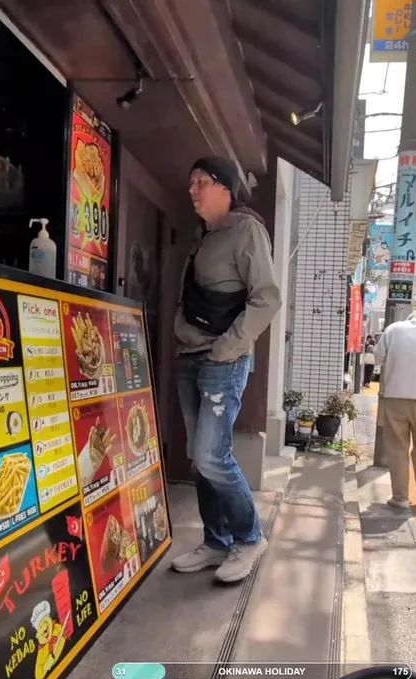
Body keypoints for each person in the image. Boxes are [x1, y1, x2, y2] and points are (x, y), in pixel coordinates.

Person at [171, 156, 282, 584]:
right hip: (190, 355)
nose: (193, 189)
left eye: (202, 181)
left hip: (222, 359)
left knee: (212, 456)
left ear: (226, 187)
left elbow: (266, 298)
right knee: (199, 459)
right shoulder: (203, 237)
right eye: (191, 182)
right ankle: (216, 541)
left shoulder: (246, 230)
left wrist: (226, 348)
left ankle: (249, 537)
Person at [375, 311, 416, 510]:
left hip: (394, 396)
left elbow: (378, 357)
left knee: (397, 449)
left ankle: (400, 497)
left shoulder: (392, 329)